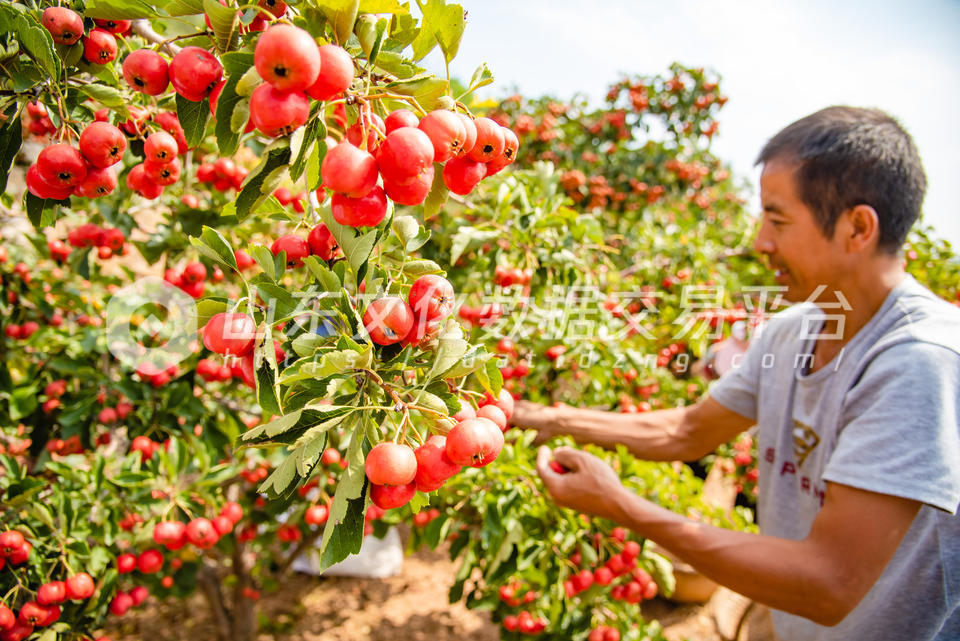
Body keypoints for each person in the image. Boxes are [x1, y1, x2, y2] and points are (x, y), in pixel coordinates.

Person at [512, 106, 960, 641]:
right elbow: (687, 431)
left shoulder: (918, 359)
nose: (759, 242)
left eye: (778, 220)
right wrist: (548, 418)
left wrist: (621, 506)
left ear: (857, 228)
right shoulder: (790, 330)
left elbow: (830, 582)